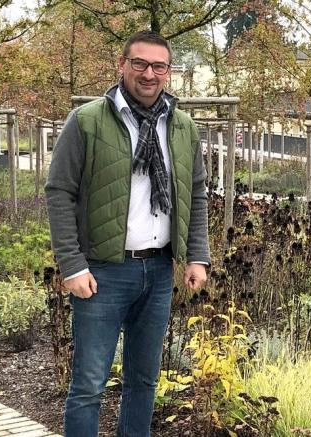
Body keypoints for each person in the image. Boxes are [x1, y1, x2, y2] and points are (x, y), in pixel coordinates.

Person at [46, 31, 210, 437]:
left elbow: (196, 192)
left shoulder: (183, 126)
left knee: (144, 382)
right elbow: (59, 192)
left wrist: (197, 255)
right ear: (122, 65)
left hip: (157, 272)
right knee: (88, 386)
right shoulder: (87, 120)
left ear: (169, 72)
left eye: (158, 66)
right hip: (102, 273)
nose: (148, 73)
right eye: (139, 63)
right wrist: (72, 264)